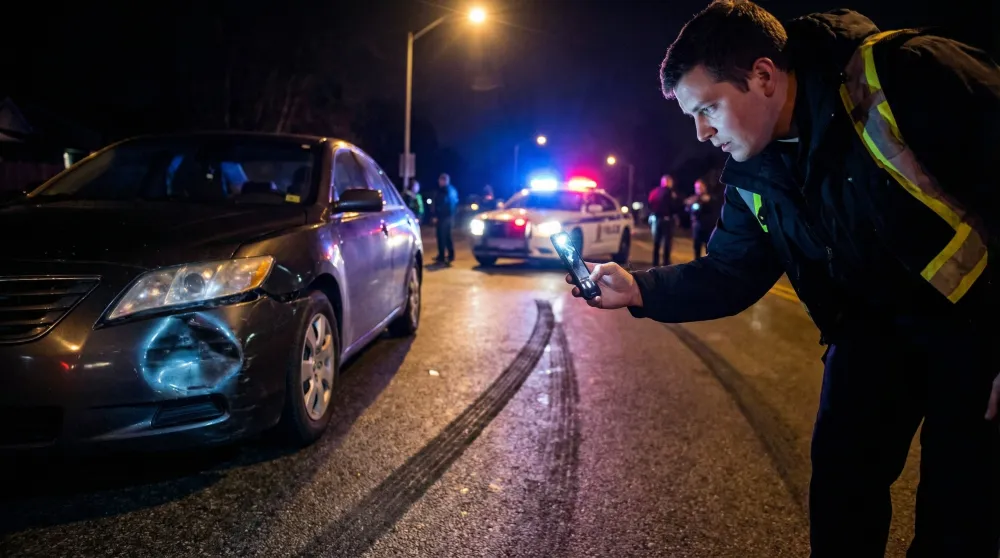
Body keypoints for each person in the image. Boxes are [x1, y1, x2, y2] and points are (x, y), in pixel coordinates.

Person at [566, 2, 1000, 556]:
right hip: (869, 333)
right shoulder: (755, 172)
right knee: (842, 498)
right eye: (691, 118)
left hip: (975, 330)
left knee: (958, 518)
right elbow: (730, 271)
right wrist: (640, 288)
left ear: (764, 76)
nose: (701, 134)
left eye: (709, 109)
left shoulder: (907, 73)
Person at [647, 174, 681, 265]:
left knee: (657, 242)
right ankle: (666, 262)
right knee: (667, 242)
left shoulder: (654, 192)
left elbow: (650, 204)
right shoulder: (670, 192)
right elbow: (674, 206)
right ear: (669, 182)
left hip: (657, 219)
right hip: (667, 220)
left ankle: (655, 262)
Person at [684, 179, 720, 258]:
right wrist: (690, 205)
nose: (698, 189)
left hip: (708, 228)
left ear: (705, 187)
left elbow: (715, 209)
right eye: (696, 188)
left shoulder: (711, 198)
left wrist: (708, 201)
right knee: (697, 249)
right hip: (697, 227)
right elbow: (687, 209)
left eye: (700, 187)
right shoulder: (693, 198)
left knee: (709, 250)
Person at [432, 173, 459, 264]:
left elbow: (442, 204)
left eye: (441, 180)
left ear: (444, 181)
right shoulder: (452, 190)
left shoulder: (444, 191)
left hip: (443, 217)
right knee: (447, 236)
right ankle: (450, 255)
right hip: (450, 217)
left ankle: (442, 256)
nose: (439, 182)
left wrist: (437, 215)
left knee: (441, 236)